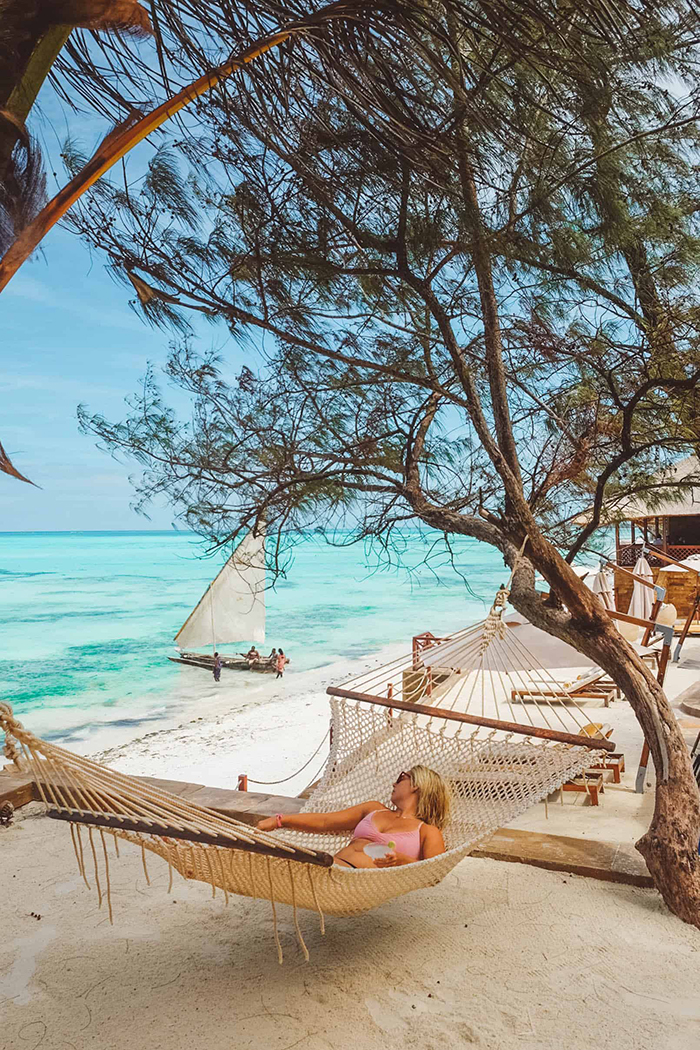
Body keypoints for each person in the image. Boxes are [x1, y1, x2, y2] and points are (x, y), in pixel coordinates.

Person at [257, 765, 449, 868]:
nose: (393, 783)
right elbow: (325, 821)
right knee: (267, 862)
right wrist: (280, 820)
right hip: (333, 867)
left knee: (278, 867)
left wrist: (401, 860)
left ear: (416, 785)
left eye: (401, 778)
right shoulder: (374, 809)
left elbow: (433, 871)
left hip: (359, 881)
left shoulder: (427, 831)